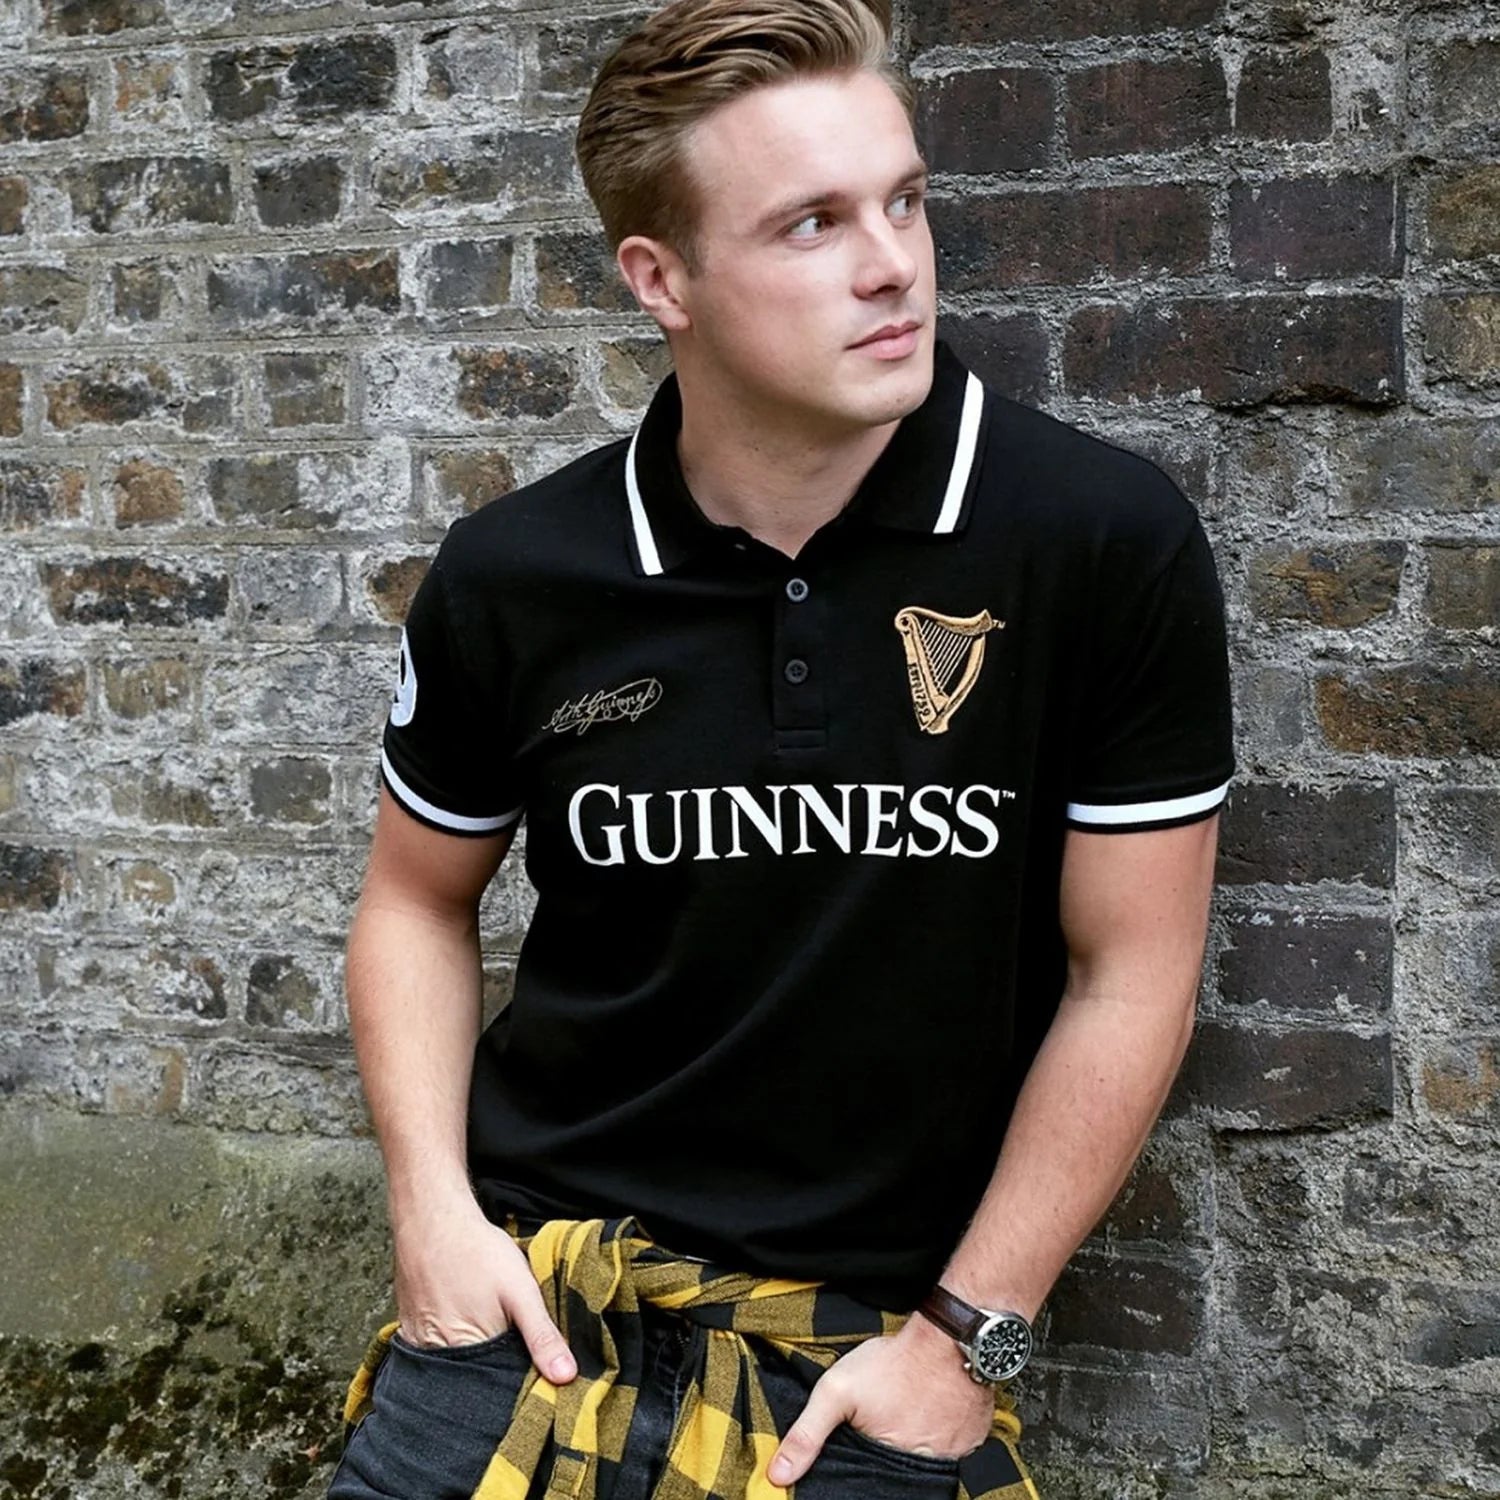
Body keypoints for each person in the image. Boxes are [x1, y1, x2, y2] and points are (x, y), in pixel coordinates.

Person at [327, 0, 1235, 1496]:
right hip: (533, 1307)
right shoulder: (518, 572)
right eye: (811, 224)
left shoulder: (1096, 544)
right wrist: (430, 1214)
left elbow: (1131, 972)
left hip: (872, 1357)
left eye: (906, 200)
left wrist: (967, 1344)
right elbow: (417, 900)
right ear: (659, 277)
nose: (893, 263)